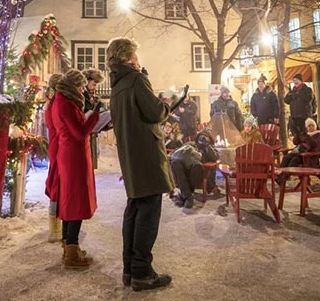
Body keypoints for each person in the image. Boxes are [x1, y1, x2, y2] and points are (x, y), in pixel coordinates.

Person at [108, 37, 186, 291]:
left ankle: (130, 269)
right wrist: (167, 104)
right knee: (148, 212)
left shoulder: (117, 85)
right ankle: (142, 271)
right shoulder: (136, 79)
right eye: (137, 57)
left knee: (134, 209)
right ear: (130, 58)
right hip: (146, 154)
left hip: (131, 154)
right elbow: (154, 113)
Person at [52, 69, 101, 269]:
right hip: (74, 157)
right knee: (76, 201)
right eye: (81, 86)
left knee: (70, 200)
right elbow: (80, 133)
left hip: (71, 155)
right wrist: (96, 116)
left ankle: (69, 247)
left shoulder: (61, 101)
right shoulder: (67, 104)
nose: (83, 89)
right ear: (73, 86)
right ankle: (71, 252)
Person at [168, 132, 219, 208]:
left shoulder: (209, 147)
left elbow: (214, 157)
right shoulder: (190, 144)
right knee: (175, 163)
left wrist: (207, 145)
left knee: (197, 166)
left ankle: (185, 195)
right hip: (182, 169)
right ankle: (188, 196)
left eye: (205, 136)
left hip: (195, 169)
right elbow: (178, 152)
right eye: (201, 136)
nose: (202, 138)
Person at [44, 73, 64, 243]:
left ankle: (57, 227)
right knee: (57, 186)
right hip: (59, 145)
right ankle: (55, 229)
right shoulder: (56, 103)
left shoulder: (51, 102)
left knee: (57, 184)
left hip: (55, 144)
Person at [82, 68, 106, 170]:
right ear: (87, 80)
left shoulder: (89, 93)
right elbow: (85, 110)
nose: (95, 86)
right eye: (94, 83)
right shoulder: (83, 93)